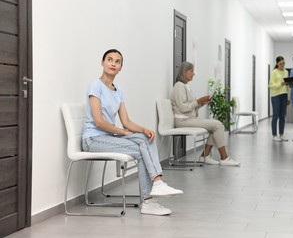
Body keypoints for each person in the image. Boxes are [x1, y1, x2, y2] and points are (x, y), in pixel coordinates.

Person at [82, 49, 183, 216]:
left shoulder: (118, 91)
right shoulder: (95, 86)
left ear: (121, 67)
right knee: (142, 148)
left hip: (108, 137)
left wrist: (144, 129)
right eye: (109, 59)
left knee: (145, 139)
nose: (113, 63)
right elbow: (99, 122)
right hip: (93, 139)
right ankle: (153, 191)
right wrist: (123, 133)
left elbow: (126, 122)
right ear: (102, 62)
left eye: (117, 61)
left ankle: (152, 195)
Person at [170, 61, 240, 166]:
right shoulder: (179, 86)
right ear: (184, 72)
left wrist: (202, 102)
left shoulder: (185, 86)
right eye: (191, 71)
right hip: (182, 121)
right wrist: (198, 101)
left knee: (215, 127)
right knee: (217, 125)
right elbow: (183, 107)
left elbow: (190, 107)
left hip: (188, 119)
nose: (193, 73)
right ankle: (224, 158)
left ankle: (205, 156)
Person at [269, 56, 290, 142]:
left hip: (284, 95)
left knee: (282, 116)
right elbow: (270, 85)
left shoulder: (286, 72)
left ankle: (281, 134)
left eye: (283, 63)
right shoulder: (274, 72)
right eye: (280, 63)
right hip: (276, 95)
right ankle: (274, 135)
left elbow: (287, 86)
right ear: (277, 63)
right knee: (275, 115)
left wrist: (288, 97)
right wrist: (280, 84)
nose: (282, 65)